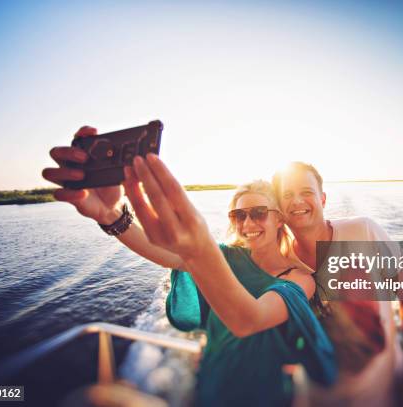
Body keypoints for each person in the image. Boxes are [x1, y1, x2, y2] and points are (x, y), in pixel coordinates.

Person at [42, 127, 337, 406]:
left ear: (279, 219)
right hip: (211, 383)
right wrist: (109, 214)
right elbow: (162, 251)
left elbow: (249, 319)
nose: (248, 224)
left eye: (259, 213)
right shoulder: (223, 257)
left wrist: (199, 249)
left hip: (264, 395)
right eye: (239, 215)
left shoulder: (299, 279)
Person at [271, 162, 403, 407]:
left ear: (322, 199)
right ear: (278, 208)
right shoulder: (277, 263)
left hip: (382, 394)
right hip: (314, 397)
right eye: (287, 195)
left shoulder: (363, 231)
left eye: (306, 192)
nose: (297, 201)